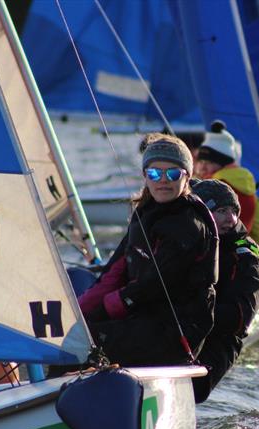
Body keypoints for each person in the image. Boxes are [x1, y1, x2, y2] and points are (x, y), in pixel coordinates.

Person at [51, 133, 218, 374]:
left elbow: (154, 285)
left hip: (175, 332)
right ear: (145, 176)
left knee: (82, 343)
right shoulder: (145, 214)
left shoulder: (188, 225)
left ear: (187, 177)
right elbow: (114, 271)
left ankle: (59, 400)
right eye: (154, 173)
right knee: (74, 334)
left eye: (172, 174)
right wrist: (77, 313)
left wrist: (104, 309)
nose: (163, 181)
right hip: (144, 320)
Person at [189, 179, 259, 403]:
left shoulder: (246, 258)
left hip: (217, 345)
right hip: (182, 334)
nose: (231, 219)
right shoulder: (193, 243)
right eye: (221, 211)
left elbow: (239, 317)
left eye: (233, 211)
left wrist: (188, 313)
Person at [193, 120, 259, 250]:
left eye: (207, 162)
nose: (201, 168)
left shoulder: (213, 188)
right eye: (201, 162)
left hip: (216, 252)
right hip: (240, 252)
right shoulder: (248, 189)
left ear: (221, 162)